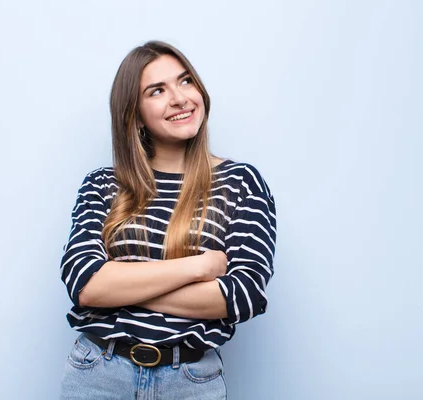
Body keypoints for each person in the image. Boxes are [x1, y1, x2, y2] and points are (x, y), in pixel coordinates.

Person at [58, 40, 277, 399]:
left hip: (191, 382)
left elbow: (243, 295)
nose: (179, 98)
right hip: (98, 374)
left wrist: (119, 285)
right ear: (135, 112)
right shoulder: (102, 184)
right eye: (157, 90)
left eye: (186, 81)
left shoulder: (241, 183)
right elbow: (84, 284)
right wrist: (200, 267)